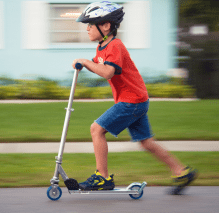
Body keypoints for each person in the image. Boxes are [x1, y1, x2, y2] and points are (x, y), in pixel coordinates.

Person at [71, 1, 197, 195]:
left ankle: (102, 177)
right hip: (136, 99)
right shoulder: (102, 47)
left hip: (131, 101)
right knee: (146, 142)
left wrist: (86, 62)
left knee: (96, 129)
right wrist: (85, 64)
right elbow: (101, 66)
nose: (87, 28)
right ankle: (182, 172)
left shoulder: (115, 45)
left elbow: (107, 72)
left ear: (105, 25)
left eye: (90, 24)